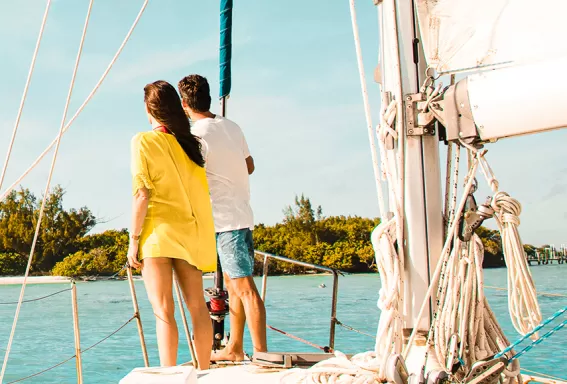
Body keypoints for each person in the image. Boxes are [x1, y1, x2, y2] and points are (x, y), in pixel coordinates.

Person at [177, 74, 267, 361]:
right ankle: (236, 348)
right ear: (209, 97)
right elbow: (249, 166)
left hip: (226, 221)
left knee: (245, 288)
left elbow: (190, 178)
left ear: (184, 105)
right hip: (242, 215)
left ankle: (263, 355)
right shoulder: (232, 126)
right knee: (233, 286)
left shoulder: (195, 137)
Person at [127, 80, 216, 369]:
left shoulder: (143, 141)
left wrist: (134, 241)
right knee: (198, 310)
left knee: (164, 311)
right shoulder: (190, 145)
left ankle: (168, 375)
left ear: (148, 108)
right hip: (190, 234)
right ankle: (203, 372)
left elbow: (142, 194)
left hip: (157, 235)